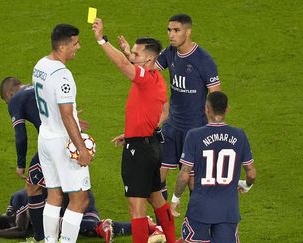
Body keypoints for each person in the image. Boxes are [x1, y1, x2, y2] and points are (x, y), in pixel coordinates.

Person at [119, 13, 222, 198]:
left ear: (188, 32)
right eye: (169, 30)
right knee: (158, 174)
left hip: (194, 129)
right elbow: (147, 69)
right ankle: (162, 222)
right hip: (171, 126)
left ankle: (195, 219)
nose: (171, 34)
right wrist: (130, 56)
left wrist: (212, 129)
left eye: (176, 30)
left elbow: (216, 97)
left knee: (192, 179)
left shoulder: (204, 60)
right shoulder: (170, 53)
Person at [92, 18, 175, 243]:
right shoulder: (158, 80)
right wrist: (135, 130)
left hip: (139, 151)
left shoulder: (145, 80)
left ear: (149, 59)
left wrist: (101, 40)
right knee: (157, 199)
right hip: (152, 146)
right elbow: (161, 112)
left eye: (136, 55)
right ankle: (171, 238)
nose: (132, 57)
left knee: (135, 208)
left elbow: (123, 65)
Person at [32, 24, 93, 243]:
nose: (79, 47)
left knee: (54, 195)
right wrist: (82, 148)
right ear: (62, 46)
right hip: (62, 143)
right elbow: (66, 116)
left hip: (45, 136)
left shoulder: (40, 65)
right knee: (79, 198)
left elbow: (53, 106)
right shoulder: (63, 75)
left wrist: (75, 120)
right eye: (75, 43)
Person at [170, 91, 256, 242]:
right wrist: (246, 185)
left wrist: (175, 199)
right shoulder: (240, 135)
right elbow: (251, 173)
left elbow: (184, 174)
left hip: (200, 210)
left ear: (206, 109)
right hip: (228, 211)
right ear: (227, 109)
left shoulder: (194, 135)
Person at [0, 189, 145, 243]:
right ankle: (147, 226)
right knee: (85, 225)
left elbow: (21, 231)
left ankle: (103, 226)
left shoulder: (22, 204)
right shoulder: (14, 198)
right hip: (79, 195)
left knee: (85, 228)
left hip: (76, 203)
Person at [0, 77, 47, 242]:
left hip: (52, 142)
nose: (9, 106)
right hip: (71, 138)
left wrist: (21, 163)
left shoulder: (16, 99)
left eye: (7, 102)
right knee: (57, 187)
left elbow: (20, 136)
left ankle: (40, 238)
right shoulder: (39, 87)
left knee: (33, 186)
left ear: (10, 93)